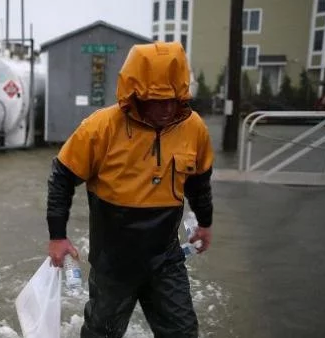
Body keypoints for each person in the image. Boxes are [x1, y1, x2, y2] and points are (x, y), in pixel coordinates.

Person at [46, 41, 214, 338]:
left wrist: (205, 223)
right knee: (101, 333)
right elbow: (62, 177)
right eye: (156, 99)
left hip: (165, 258)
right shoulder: (100, 128)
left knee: (183, 332)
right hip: (113, 262)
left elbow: (199, 181)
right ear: (137, 95)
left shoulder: (194, 128)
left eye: (173, 99)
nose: (166, 108)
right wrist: (57, 236)